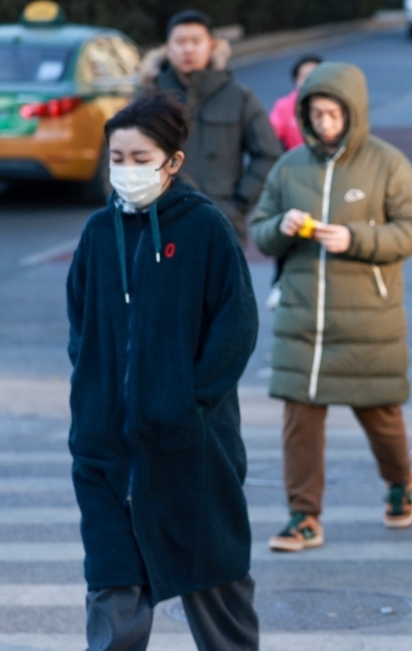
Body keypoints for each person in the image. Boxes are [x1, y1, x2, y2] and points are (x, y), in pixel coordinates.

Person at [67, 91, 260, 651]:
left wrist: (187, 401)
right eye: (117, 158)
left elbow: (236, 326)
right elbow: (81, 330)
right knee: (113, 592)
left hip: (190, 449)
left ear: (173, 161)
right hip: (106, 452)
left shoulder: (205, 228)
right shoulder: (97, 236)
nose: (126, 170)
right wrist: (93, 404)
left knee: (218, 592)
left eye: (140, 158)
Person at [251, 62, 412, 551]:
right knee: (300, 418)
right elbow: (260, 230)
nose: (326, 123)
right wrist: (280, 227)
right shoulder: (289, 167)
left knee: (381, 413)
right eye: (317, 114)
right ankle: (303, 516)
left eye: (334, 113)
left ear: (354, 113)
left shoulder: (387, 162)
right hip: (302, 315)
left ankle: (400, 483)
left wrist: (356, 237)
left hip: (367, 314)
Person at [140, 9, 282, 245]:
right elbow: (116, 155)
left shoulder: (238, 96)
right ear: (168, 48)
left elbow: (268, 154)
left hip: (221, 223)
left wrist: (239, 203)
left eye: (196, 41)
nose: (188, 49)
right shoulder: (148, 98)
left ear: (212, 45)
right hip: (160, 222)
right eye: (180, 42)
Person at [270, 54, 324, 150]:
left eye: (315, 74)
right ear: (296, 80)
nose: (310, 80)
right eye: (305, 76)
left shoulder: (337, 102)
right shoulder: (284, 106)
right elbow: (269, 138)